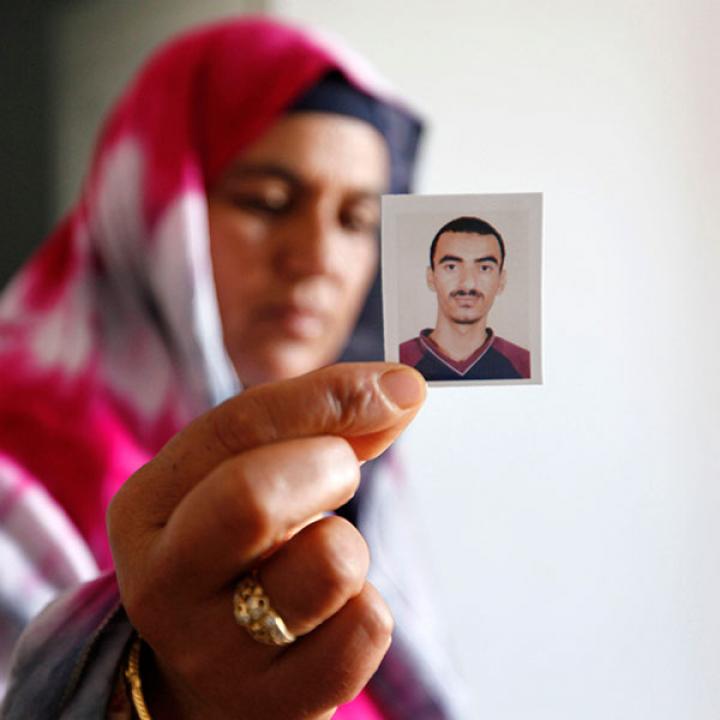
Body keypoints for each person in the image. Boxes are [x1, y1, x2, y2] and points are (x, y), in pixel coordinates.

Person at [0, 17, 463, 719]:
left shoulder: (368, 485)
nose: (315, 260)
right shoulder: (15, 467)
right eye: (266, 202)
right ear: (148, 208)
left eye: (356, 220)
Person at [399, 216, 530, 381]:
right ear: (431, 277)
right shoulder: (397, 362)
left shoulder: (525, 365)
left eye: (484, 268)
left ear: (501, 281)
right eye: (451, 267)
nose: (467, 284)